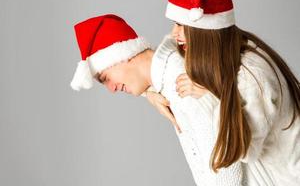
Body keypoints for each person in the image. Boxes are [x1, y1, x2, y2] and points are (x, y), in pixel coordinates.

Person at [147, 0, 300, 185]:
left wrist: (209, 96)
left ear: (205, 31)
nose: (173, 33)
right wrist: (149, 90)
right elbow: (171, 52)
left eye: (179, 25)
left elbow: (243, 150)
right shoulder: (231, 50)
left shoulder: (252, 78)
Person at [70, 14, 244, 185]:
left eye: (106, 78)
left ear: (124, 56)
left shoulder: (181, 84)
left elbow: (225, 164)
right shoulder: (168, 75)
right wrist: (150, 94)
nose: (111, 89)